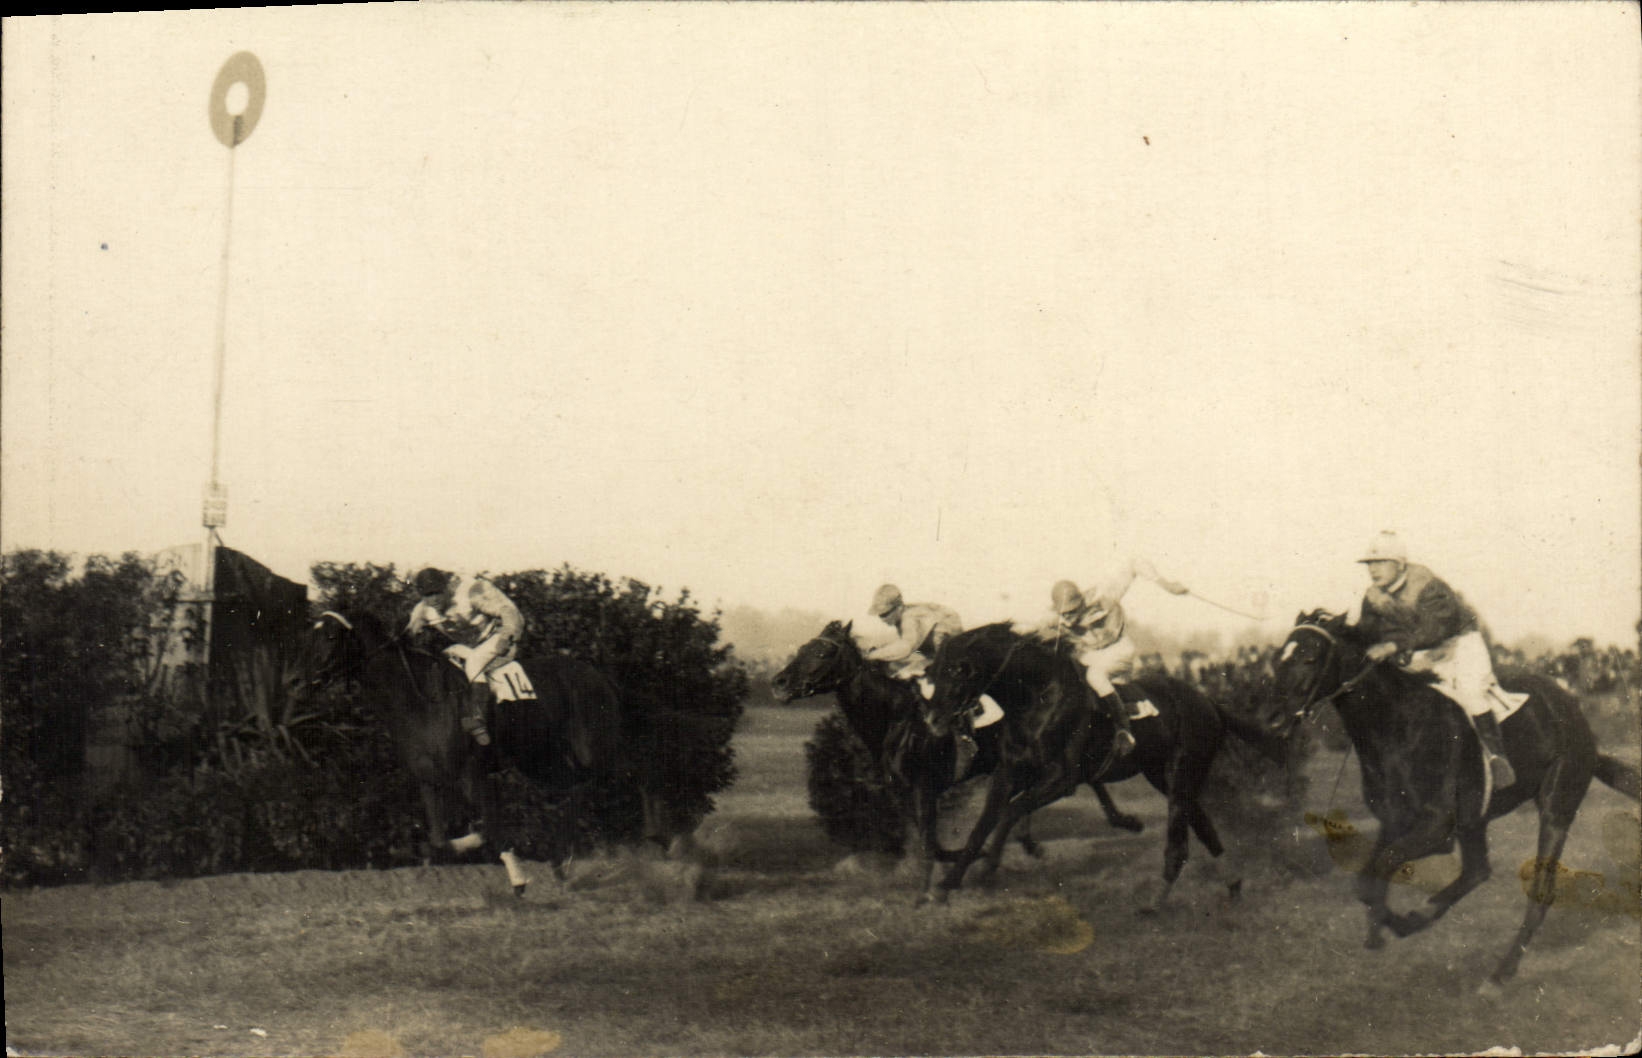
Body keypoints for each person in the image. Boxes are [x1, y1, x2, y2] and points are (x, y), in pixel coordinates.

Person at [1348, 531, 1519, 788]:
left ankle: (1497, 757)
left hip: (1459, 643)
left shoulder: (1428, 585)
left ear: (1400, 564)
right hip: (1418, 651)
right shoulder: (1372, 597)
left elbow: (1435, 628)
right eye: (1370, 564)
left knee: (1471, 693)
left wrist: (1393, 645)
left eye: (1381, 562)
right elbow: (1367, 631)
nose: (1373, 569)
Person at [1029, 558, 1189, 758]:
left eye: (1072, 611)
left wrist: (1166, 584)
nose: (1068, 618)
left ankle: (1125, 731)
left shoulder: (1103, 594)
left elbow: (1134, 563)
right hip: (1090, 655)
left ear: (1080, 602)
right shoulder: (1053, 618)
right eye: (1064, 614)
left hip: (1119, 648)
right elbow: (1027, 628)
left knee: (1095, 676)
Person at [406, 567, 524, 747]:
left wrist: (506, 636)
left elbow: (510, 611)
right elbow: (409, 633)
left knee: (474, 663)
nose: (434, 599)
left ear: (446, 588)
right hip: (469, 647)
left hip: (495, 640)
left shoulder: (469, 594)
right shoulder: (422, 610)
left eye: (438, 592)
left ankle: (479, 717)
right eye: (428, 595)